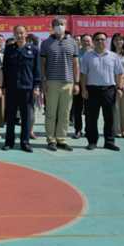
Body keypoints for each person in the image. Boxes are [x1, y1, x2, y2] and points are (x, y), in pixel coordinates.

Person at [41, 17, 79, 152]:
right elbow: (42, 64)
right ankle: (51, 140)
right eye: (57, 25)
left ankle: (62, 140)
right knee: (51, 113)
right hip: (51, 82)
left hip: (68, 82)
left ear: (66, 26)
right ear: (52, 27)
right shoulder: (46, 43)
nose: (60, 26)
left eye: (62, 24)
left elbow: (75, 63)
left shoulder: (73, 42)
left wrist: (76, 82)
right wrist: (43, 81)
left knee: (65, 114)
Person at [81, 32, 124, 151]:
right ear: (93, 42)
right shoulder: (87, 57)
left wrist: (120, 88)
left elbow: (118, 74)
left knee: (110, 118)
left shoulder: (113, 56)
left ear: (106, 41)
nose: (100, 42)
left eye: (103, 39)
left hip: (109, 90)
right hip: (92, 91)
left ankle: (109, 142)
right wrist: (83, 89)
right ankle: (92, 141)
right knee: (91, 118)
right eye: (97, 39)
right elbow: (83, 74)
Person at [2, 25, 41, 153]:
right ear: (13, 34)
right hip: (12, 88)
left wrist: (36, 86)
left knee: (26, 116)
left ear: (26, 34)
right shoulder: (9, 49)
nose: (19, 35)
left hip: (27, 88)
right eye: (17, 33)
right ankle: (9, 142)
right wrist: (4, 86)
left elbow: (37, 70)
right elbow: (5, 69)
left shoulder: (34, 49)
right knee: (10, 116)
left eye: (21, 33)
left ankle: (25, 143)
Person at [71, 34, 92, 139]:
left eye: (88, 41)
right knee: (77, 109)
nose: (86, 43)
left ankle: (89, 130)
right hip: (78, 84)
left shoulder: (95, 54)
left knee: (90, 110)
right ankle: (78, 130)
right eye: (84, 41)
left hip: (91, 85)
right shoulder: (76, 54)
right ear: (80, 42)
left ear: (92, 42)